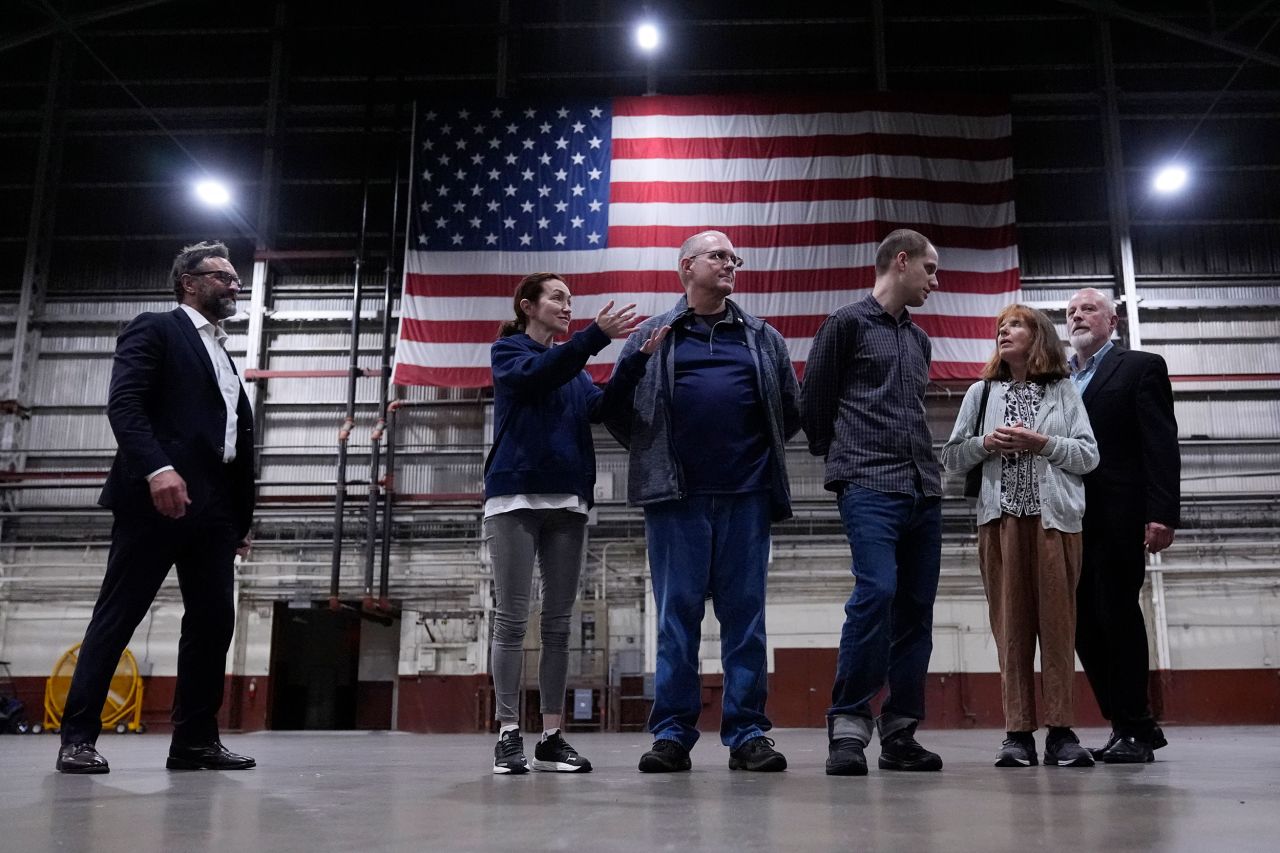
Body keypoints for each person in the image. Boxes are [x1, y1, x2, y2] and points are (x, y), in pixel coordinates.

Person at [56, 241, 256, 774]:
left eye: (237, 277)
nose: (235, 284)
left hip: (214, 511)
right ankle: (77, 738)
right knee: (119, 615)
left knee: (214, 623)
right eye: (224, 276)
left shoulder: (223, 353)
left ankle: (193, 742)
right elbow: (125, 403)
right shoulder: (155, 327)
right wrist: (156, 469)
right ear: (189, 282)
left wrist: (240, 518)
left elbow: (234, 438)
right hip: (155, 498)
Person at [605, 230, 799, 774]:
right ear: (687, 266)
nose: (730, 263)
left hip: (746, 498)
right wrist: (657, 452)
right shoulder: (652, 334)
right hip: (676, 501)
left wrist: (750, 458)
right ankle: (671, 734)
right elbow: (616, 407)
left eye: (734, 256)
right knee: (676, 619)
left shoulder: (763, 338)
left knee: (746, 620)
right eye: (718, 256)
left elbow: (790, 409)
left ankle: (747, 735)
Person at [485, 272, 667, 775]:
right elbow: (536, 376)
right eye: (558, 298)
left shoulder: (576, 371)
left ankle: (550, 735)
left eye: (571, 300)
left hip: (569, 499)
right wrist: (594, 337)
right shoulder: (508, 353)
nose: (568, 306)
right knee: (513, 618)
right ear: (528, 306)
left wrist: (635, 361)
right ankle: (506, 733)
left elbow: (600, 408)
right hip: (514, 497)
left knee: (560, 623)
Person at [800, 228, 944, 777]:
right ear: (900, 262)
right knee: (876, 592)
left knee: (915, 612)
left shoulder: (920, 340)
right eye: (929, 269)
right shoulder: (845, 325)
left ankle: (901, 732)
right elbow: (814, 402)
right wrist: (843, 459)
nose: (934, 281)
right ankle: (848, 728)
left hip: (922, 490)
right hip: (867, 485)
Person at [941, 305, 1099, 768]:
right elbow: (952, 458)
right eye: (999, 328)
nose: (1004, 332)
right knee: (1009, 629)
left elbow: (1088, 456)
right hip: (1001, 522)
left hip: (1056, 525)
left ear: (1038, 336)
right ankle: (1017, 735)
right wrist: (986, 444)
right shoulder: (981, 391)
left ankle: (1062, 733)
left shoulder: (1064, 389)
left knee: (1057, 628)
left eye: (1015, 325)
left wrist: (1042, 443)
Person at [1067, 287, 1179, 763]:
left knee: (1116, 611)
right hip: (1068, 519)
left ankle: (1134, 725)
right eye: (1069, 312)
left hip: (1119, 512)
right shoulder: (1059, 381)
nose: (1076, 317)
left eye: (1088, 309)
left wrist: (1162, 512)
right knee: (1081, 623)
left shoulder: (1139, 367)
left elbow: (1160, 442)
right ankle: (1127, 724)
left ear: (1113, 322)